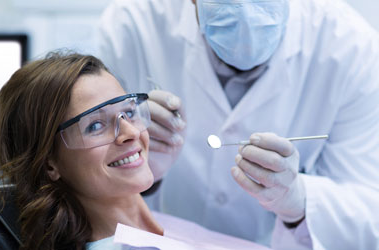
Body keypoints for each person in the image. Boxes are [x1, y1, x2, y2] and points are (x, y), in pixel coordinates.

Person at [95, 0, 379, 249]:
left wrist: (298, 201)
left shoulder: (351, 48)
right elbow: (77, 181)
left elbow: (369, 212)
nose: (246, 10)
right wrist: (142, 174)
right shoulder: (131, 27)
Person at [0, 52, 269, 250]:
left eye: (128, 111)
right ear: (50, 163)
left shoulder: (155, 228)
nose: (131, 133)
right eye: (96, 125)